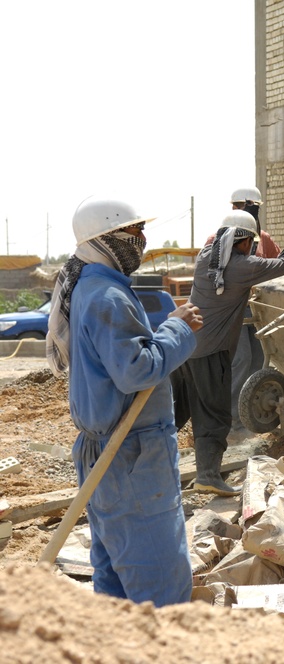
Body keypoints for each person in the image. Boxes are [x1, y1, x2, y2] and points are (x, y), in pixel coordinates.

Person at [46, 198, 204, 607]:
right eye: (133, 233)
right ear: (107, 240)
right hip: (131, 453)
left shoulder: (91, 288)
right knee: (160, 584)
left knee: (115, 577)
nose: (142, 241)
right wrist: (178, 329)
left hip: (109, 451)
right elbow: (136, 370)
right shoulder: (107, 297)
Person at [171, 209, 284, 495]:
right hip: (211, 353)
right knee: (214, 415)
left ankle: (143, 466)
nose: (251, 249)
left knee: (179, 412)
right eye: (251, 244)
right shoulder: (240, 266)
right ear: (242, 242)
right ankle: (208, 476)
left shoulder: (205, 259)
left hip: (185, 347)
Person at [226, 186, 279, 429]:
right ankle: (232, 416)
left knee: (259, 358)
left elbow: (277, 266)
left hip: (257, 308)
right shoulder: (219, 240)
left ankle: (250, 413)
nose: (245, 211)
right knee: (241, 359)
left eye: (250, 207)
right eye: (240, 206)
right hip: (232, 309)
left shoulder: (263, 239)